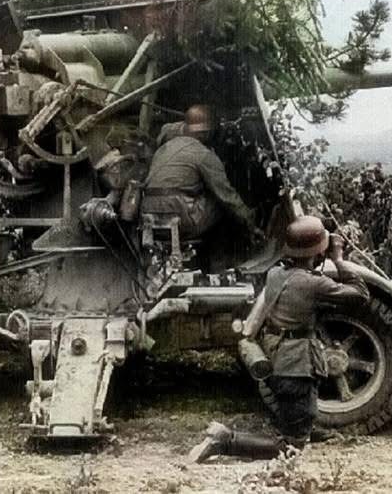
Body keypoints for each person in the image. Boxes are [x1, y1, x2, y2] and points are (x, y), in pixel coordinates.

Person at [188, 215, 369, 463]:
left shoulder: (275, 274)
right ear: (318, 252)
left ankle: (301, 428)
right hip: (296, 367)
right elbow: (361, 294)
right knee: (291, 447)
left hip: (277, 359)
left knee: (297, 411)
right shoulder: (313, 284)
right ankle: (226, 441)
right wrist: (338, 259)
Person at [141, 104, 263, 241]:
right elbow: (227, 196)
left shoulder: (163, 149)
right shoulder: (203, 154)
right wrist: (250, 221)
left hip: (149, 220)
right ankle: (220, 249)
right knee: (220, 200)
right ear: (206, 133)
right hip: (181, 222)